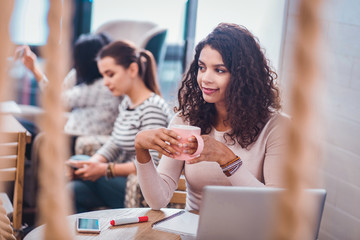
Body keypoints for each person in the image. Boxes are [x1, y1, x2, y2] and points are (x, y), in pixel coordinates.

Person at [134, 23, 288, 211]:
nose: (205, 78)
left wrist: (226, 158)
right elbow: (158, 200)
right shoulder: (186, 121)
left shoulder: (276, 127)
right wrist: (141, 149)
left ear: (243, 76)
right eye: (201, 67)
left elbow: (273, 207)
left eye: (219, 70)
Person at [66, 40, 173, 213]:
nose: (105, 82)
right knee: (70, 192)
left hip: (137, 187)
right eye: (103, 76)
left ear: (132, 69)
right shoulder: (126, 103)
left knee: (79, 162)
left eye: (110, 74)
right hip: (116, 183)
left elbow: (153, 163)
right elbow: (114, 143)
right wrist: (93, 164)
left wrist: (105, 169)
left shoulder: (152, 107)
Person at [17, 33, 122, 141]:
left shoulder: (102, 86)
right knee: (22, 126)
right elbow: (59, 92)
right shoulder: (80, 76)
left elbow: (58, 99)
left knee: (22, 128)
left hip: (77, 138)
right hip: (70, 133)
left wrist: (34, 69)